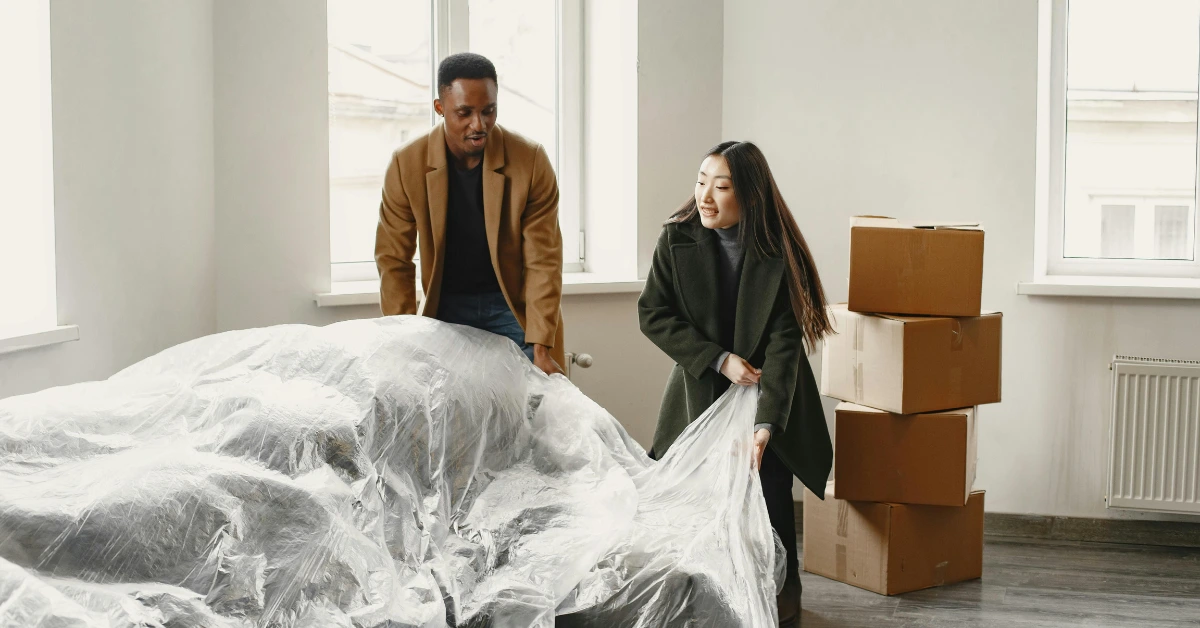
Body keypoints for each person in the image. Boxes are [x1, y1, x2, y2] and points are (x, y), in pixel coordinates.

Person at [637, 141, 834, 627]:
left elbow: (786, 346)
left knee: (768, 492)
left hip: (768, 390)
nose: (705, 195)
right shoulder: (676, 239)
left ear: (749, 196)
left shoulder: (776, 251)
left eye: (721, 186)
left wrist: (767, 425)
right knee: (695, 500)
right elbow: (652, 314)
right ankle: (705, 602)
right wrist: (719, 360)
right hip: (702, 387)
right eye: (701, 181)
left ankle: (779, 599)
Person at [375, 52, 566, 374]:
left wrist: (541, 346)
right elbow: (394, 260)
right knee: (444, 407)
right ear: (440, 108)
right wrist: (402, 338)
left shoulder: (530, 160)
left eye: (488, 111)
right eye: (464, 113)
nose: (479, 125)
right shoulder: (406, 163)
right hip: (445, 303)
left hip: (511, 303)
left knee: (538, 402)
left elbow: (543, 259)